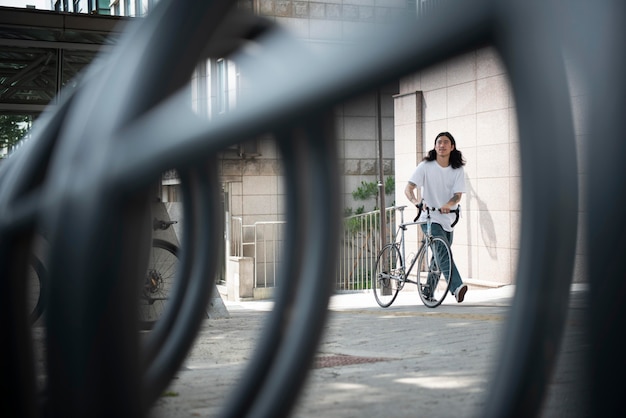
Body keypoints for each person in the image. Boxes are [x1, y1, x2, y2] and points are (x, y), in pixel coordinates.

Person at [404, 131, 468, 303]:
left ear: (452, 147)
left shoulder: (457, 169)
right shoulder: (425, 166)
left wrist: (448, 205)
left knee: (439, 256)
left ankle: (428, 291)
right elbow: (408, 189)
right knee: (443, 252)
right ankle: (456, 287)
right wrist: (417, 202)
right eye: (439, 142)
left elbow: (457, 195)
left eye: (446, 142)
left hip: (448, 219)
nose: (442, 145)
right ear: (435, 146)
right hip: (429, 218)